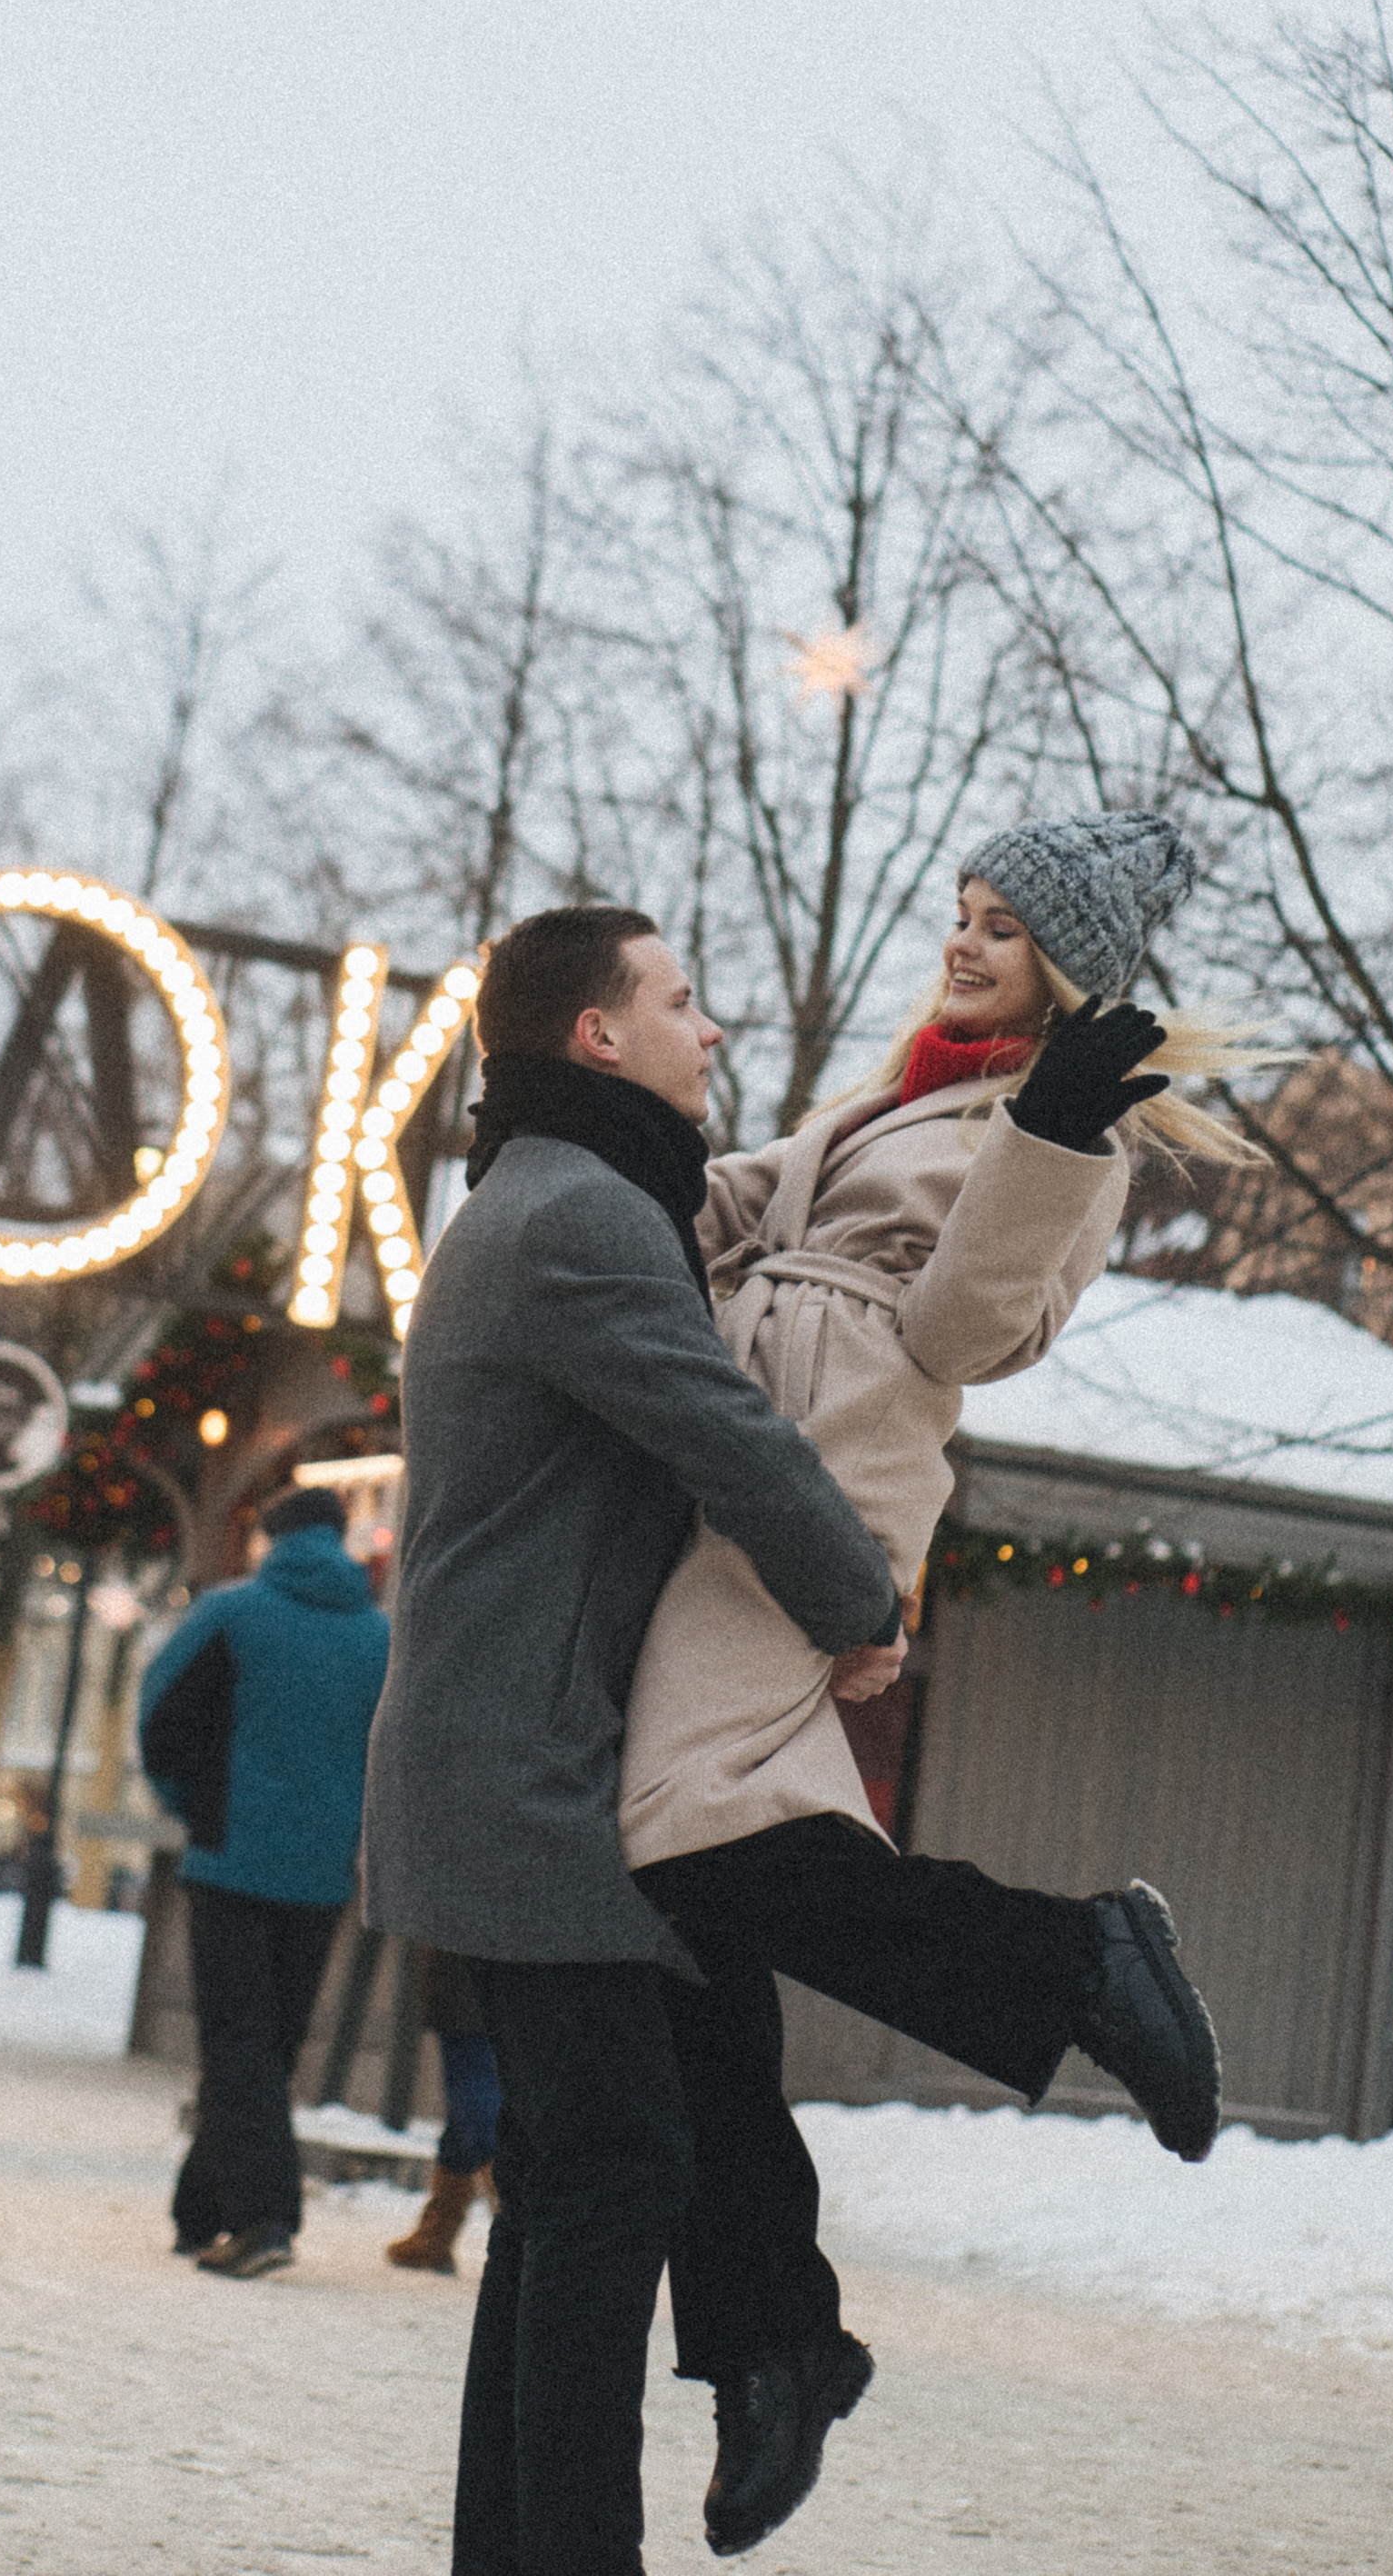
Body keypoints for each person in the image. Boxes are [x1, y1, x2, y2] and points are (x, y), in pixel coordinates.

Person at [621, 812, 1252, 2551]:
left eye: (1003, 927)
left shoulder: (1073, 1130)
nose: (965, 944)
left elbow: (969, 1332)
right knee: (691, 1921)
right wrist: (597, 1147)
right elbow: (738, 1200)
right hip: (736, 1455)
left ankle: (1075, 1957)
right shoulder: (901, 1082)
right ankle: (775, 2346)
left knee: (681, 1847)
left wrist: (1049, 1137)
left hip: (821, 1476)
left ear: (1068, 964)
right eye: (961, 916)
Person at [363, 904, 902, 2576]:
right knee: (615, 2177)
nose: (711, 1028)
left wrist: (926, 1088)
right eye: (681, 1001)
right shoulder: (579, 1221)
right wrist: (857, 1603)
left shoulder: (558, 1198)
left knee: (571, 2188)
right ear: (597, 1037)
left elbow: (743, 1207)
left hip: (508, 1767)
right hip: (530, 1781)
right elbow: (730, 1438)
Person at [140, 1483, 389, 2280]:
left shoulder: (230, 1615)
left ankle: (263, 2218)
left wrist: (192, 1806)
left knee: (235, 2040)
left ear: (272, 1539)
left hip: (231, 1860)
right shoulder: (377, 1638)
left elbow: (161, 1719)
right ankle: (201, 2210)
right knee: (269, 2043)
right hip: (322, 1875)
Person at [383, 1951, 502, 2273]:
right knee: (475, 2086)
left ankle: (518, 2210)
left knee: (471, 2076)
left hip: (466, 1940)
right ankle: (438, 2229)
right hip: (541, 1950)